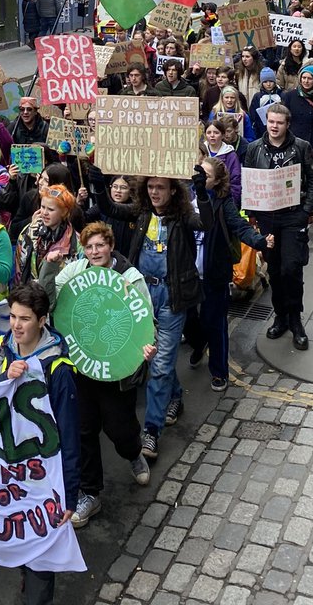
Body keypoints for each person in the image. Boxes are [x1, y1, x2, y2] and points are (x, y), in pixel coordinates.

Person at [39, 222, 155, 516]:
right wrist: (50, 269)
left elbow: (146, 321)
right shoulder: (75, 272)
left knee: (119, 428)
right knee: (83, 429)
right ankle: (90, 493)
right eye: (89, 246)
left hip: (118, 371)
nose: (94, 251)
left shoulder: (130, 277)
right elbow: (47, 300)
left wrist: (146, 349)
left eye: (100, 245)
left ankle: (133, 453)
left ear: (110, 245)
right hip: (81, 368)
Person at [0, 284, 79, 605]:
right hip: (6, 467)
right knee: (18, 535)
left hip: (41, 475)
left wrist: (69, 494)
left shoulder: (58, 369)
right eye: (12, 317)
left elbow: (68, 433)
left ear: (43, 320)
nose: (16, 325)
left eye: (25, 318)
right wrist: (3, 378)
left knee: (40, 550)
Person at [99, 176, 206, 461]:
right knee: (157, 360)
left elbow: (204, 222)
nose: (155, 192)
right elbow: (109, 209)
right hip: (143, 296)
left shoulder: (184, 217)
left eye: (161, 187)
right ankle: (175, 397)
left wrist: (204, 191)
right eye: (150, 187)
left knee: (159, 364)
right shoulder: (141, 213)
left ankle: (151, 431)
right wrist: (98, 183)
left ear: (173, 190)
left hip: (173, 297)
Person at [243, 103, 313, 350]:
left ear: (288, 124)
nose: (274, 126)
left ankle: (296, 319)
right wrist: (253, 214)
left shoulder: (301, 147)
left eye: (279, 122)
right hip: (267, 219)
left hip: (292, 217)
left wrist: (307, 211)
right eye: (271, 121)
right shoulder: (254, 148)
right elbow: (250, 182)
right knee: (275, 270)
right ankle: (280, 316)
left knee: (292, 269)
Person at [192, 159, 273, 391]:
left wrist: (259, 241)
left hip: (213, 274)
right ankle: (199, 342)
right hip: (187, 273)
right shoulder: (185, 198)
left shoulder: (222, 201)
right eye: (198, 173)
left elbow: (239, 225)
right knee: (188, 320)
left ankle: (219, 371)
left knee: (215, 323)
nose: (199, 178)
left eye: (205, 176)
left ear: (217, 181)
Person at [14, 184, 81, 283]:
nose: (44, 212)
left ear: (64, 212)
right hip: (31, 294)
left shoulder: (76, 243)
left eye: (50, 209)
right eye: (43, 207)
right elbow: (19, 271)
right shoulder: (28, 232)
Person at [281, 65, 313, 169]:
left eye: (310, 78)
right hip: (294, 143)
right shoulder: (290, 96)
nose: (306, 81)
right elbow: (283, 120)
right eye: (304, 78)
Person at [248, 67, 282, 140]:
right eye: (265, 82)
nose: (268, 84)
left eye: (271, 81)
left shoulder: (281, 95)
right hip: (261, 130)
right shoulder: (257, 97)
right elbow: (253, 115)